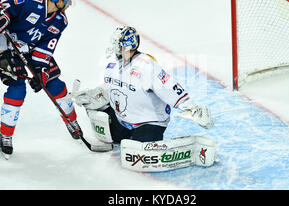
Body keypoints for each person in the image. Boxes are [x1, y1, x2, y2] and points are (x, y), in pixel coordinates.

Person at [73, 26, 214, 143]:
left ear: (128, 45)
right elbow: (109, 86)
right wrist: (92, 95)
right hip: (122, 119)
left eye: (118, 44)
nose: (115, 47)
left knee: (142, 147)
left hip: (149, 122)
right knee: (112, 136)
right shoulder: (112, 61)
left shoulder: (147, 66)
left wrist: (193, 108)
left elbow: (170, 88)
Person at [0, 0, 80, 159]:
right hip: (8, 48)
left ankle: (72, 122)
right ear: (60, 0)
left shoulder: (61, 21)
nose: (69, 4)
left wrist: (39, 70)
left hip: (32, 51)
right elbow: (3, 7)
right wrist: (3, 16)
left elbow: (46, 47)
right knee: (17, 89)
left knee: (55, 84)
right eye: (68, 1)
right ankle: (6, 134)